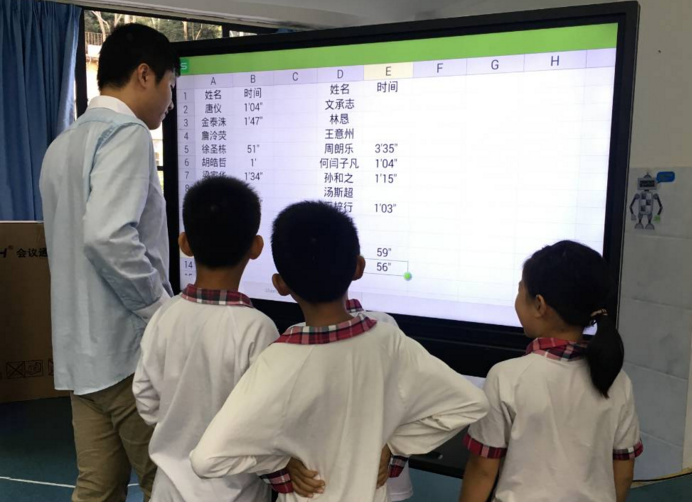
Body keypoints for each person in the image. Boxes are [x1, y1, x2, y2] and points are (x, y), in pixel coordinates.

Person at [190, 201, 489, 502]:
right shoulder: (389, 341)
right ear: (358, 267)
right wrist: (395, 447)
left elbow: (206, 459)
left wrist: (279, 465)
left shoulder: (277, 361)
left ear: (280, 285)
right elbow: (471, 403)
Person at [39, 23, 177, 502]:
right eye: (170, 85)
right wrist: (160, 310)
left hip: (80, 354)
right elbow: (107, 236)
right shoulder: (128, 134)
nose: (170, 102)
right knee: (167, 482)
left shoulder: (62, 144)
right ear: (145, 75)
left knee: (97, 488)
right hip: (126, 353)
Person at [459, 241, 643, 502]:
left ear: (539, 305)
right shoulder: (617, 380)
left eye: (520, 291)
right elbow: (623, 472)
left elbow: (482, 471)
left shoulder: (507, 377)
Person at [133, 176, 278, 501]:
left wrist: (176, 430)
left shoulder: (165, 315)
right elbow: (270, 418)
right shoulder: (259, 329)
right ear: (256, 247)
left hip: (168, 489)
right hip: (236, 492)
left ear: (184, 243)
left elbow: (144, 394)